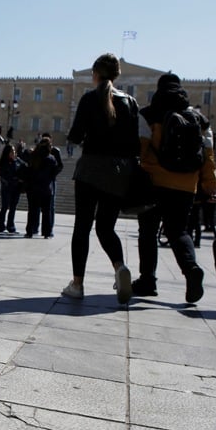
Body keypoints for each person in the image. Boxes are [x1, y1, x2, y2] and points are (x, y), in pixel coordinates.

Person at [133, 73, 216, 304]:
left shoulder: (148, 115)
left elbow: (139, 148)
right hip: (186, 185)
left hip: (154, 183)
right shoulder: (200, 120)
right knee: (179, 231)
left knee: (148, 232)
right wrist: (209, 184)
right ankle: (191, 269)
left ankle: (148, 280)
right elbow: (208, 156)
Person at [62, 53, 138, 304]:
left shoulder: (88, 99)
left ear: (95, 73)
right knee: (106, 227)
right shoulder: (130, 102)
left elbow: (75, 135)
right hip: (119, 173)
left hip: (91, 169)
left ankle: (77, 284)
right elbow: (134, 143)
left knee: (82, 228)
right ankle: (119, 267)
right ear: (117, 75)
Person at [24, 137, 58, 238]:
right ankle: (46, 233)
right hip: (46, 189)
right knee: (46, 212)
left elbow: (28, 170)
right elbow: (54, 173)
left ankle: (30, 231)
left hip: (33, 188)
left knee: (32, 211)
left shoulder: (33, 156)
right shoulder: (51, 158)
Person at [41, 132, 64, 235]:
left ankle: (49, 228)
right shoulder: (39, 150)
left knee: (51, 206)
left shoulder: (55, 151)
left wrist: (52, 174)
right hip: (40, 180)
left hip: (51, 180)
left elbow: (60, 165)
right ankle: (35, 227)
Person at [0, 143, 22, 234]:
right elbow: (3, 176)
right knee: (4, 207)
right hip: (7, 188)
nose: (13, 153)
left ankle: (10, 226)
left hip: (16, 189)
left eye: (14, 151)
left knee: (13, 208)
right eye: (11, 151)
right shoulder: (4, 163)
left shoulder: (17, 161)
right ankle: (1, 225)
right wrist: (13, 179)